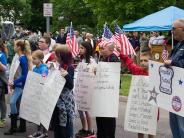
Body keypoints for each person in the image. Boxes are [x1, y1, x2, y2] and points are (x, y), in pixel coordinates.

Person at [120, 47, 156, 138]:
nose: (143, 63)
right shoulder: (137, 71)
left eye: (145, 60)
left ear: (151, 62)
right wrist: (120, 52)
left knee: (150, 129)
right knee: (140, 128)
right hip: (139, 106)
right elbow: (129, 61)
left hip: (151, 107)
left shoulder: (155, 74)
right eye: (141, 61)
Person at [4, 39, 32, 135]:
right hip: (18, 85)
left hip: (21, 85)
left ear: (19, 47)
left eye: (15, 45)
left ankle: (13, 127)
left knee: (12, 102)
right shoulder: (19, 57)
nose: (13, 47)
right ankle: (22, 127)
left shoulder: (22, 58)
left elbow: (25, 75)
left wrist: (14, 82)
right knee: (20, 105)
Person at [164, 19, 184, 138]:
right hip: (174, 92)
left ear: (182, 29)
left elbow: (178, 63)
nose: (171, 32)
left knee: (182, 126)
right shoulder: (178, 45)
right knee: (174, 125)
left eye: (174, 29)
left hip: (182, 93)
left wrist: (173, 62)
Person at [96, 42, 119, 138]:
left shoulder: (114, 59)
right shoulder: (103, 58)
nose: (100, 50)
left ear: (110, 49)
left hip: (109, 94)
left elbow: (113, 76)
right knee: (100, 117)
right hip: (102, 92)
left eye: (103, 48)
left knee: (108, 118)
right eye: (100, 48)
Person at [52, 44, 75, 138]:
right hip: (56, 100)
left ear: (61, 56)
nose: (54, 56)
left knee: (66, 126)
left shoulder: (69, 67)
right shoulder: (57, 65)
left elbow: (70, 85)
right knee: (57, 125)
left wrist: (66, 75)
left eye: (56, 54)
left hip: (65, 102)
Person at [28, 50, 49, 138]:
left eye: (34, 59)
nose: (32, 60)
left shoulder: (44, 69)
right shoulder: (35, 68)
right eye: (32, 58)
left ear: (40, 59)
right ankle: (39, 131)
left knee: (43, 114)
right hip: (36, 94)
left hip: (43, 95)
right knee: (37, 114)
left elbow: (43, 80)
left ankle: (45, 133)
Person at [76, 41, 95, 137]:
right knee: (80, 110)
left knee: (86, 110)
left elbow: (93, 74)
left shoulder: (91, 61)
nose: (80, 49)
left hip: (87, 90)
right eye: (79, 48)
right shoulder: (81, 60)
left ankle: (90, 130)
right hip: (80, 88)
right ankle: (84, 128)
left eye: (82, 48)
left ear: (87, 50)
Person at [0, 38, 8, 128]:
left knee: (1, 101)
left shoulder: (1, 55)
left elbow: (4, 68)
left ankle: (3, 119)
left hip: (1, 82)